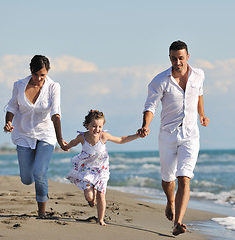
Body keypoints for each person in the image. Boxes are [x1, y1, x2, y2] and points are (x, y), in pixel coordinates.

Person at [137, 40, 210, 235]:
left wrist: (202, 114)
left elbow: (199, 93)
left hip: (191, 135)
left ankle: (178, 222)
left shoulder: (199, 75)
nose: (177, 62)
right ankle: (170, 201)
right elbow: (150, 106)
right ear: (169, 58)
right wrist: (146, 125)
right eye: (173, 58)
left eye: (180, 58)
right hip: (168, 135)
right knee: (168, 179)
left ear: (187, 56)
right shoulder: (160, 81)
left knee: (184, 178)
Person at [3, 55, 68, 218]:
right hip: (23, 134)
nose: (39, 78)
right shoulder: (19, 85)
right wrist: (8, 122)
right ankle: (37, 181)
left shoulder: (53, 87)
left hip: (46, 134)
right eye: (35, 74)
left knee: (40, 172)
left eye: (42, 75)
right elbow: (11, 107)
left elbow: (56, 113)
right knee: (26, 179)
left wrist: (60, 139)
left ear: (47, 72)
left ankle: (42, 212)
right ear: (31, 71)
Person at [65, 110, 140, 226]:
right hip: (87, 170)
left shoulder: (103, 136)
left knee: (101, 194)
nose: (97, 129)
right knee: (89, 196)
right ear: (87, 125)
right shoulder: (82, 137)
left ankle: (100, 219)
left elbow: (121, 139)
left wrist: (137, 135)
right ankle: (91, 199)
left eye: (100, 126)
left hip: (102, 170)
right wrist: (66, 146)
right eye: (94, 126)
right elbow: (73, 143)